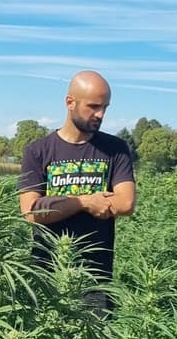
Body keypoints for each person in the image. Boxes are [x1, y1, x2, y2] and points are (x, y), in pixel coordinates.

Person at [17, 70, 135, 309]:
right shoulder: (38, 151)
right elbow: (31, 212)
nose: (100, 114)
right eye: (93, 106)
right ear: (70, 102)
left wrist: (55, 205)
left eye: (104, 107)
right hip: (45, 276)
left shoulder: (116, 149)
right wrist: (85, 202)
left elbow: (125, 203)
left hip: (94, 280)